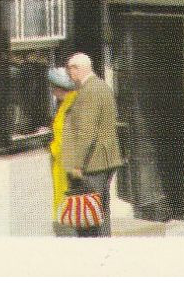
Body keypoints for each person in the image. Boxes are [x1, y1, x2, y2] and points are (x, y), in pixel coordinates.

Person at [60, 52, 123, 237]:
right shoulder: (99, 86)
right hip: (101, 160)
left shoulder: (90, 90)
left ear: (76, 69)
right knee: (99, 210)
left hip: (93, 163)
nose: (68, 73)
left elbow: (86, 132)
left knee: (90, 213)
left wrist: (78, 164)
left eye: (69, 69)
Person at [47, 67, 78, 233]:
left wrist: (52, 149)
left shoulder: (71, 106)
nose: (52, 91)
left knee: (69, 212)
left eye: (53, 87)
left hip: (67, 167)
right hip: (63, 167)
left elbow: (66, 137)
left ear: (60, 88)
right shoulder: (67, 104)